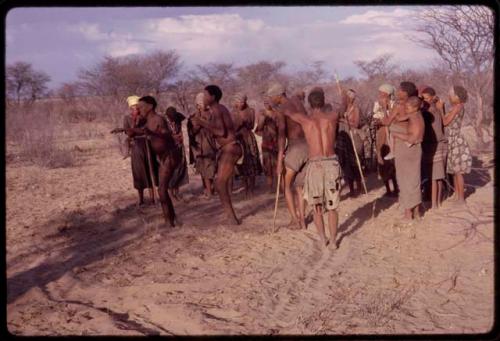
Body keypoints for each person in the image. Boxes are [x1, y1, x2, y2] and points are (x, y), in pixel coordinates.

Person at [282, 87, 341, 248]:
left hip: (315, 165)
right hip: (331, 163)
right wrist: (343, 96)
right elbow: (342, 107)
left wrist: (289, 98)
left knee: (317, 207)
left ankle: (323, 240)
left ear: (309, 104)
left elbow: (287, 111)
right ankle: (334, 241)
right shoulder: (333, 117)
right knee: (332, 207)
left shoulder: (305, 120)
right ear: (323, 102)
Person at [190, 85, 243, 225]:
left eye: (206, 95)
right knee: (220, 183)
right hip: (228, 148)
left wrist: (202, 122)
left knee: (220, 183)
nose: (204, 98)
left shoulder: (218, 109)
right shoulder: (216, 110)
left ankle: (232, 218)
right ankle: (231, 217)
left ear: (213, 97)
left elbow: (221, 132)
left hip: (231, 147)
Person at [126, 96, 180, 227]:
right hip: (162, 157)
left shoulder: (158, 119)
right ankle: (172, 220)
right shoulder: (148, 121)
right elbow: (142, 130)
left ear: (150, 106)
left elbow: (166, 134)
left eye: (142, 107)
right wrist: (132, 130)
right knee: (162, 190)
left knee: (161, 190)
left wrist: (153, 132)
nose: (139, 109)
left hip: (169, 155)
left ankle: (169, 222)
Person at [267, 82, 309, 230]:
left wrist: (279, 161)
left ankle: (295, 220)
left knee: (286, 184)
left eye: (271, 97)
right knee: (300, 186)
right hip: (308, 147)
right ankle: (302, 218)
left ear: (279, 96)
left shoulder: (282, 109)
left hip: (296, 148)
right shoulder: (298, 102)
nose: (270, 100)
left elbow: (281, 136)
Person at [388, 95, 425, 220]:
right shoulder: (416, 115)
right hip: (414, 150)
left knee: (405, 181)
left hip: (410, 150)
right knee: (414, 180)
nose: (406, 109)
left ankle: (408, 213)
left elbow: (412, 138)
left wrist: (396, 134)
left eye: (408, 107)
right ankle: (416, 211)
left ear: (415, 107)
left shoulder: (415, 119)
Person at [440, 85, 472, 204]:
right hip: (453, 139)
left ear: (457, 97)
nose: (449, 96)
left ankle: (461, 198)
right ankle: (458, 196)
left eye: (451, 94)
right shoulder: (456, 106)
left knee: (458, 172)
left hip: (457, 140)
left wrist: (440, 109)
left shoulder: (458, 107)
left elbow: (445, 122)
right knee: (454, 170)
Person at [123, 95, 157, 205]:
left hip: (147, 144)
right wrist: (134, 123)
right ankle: (141, 199)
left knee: (150, 169)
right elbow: (129, 133)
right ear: (130, 108)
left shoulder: (145, 117)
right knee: (138, 172)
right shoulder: (127, 119)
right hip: (136, 146)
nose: (136, 109)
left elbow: (148, 130)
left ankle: (153, 198)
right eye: (133, 108)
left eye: (137, 107)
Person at [420, 87, 447, 209]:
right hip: (429, 146)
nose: (424, 100)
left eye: (426, 98)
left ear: (432, 97)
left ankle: (436, 203)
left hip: (437, 145)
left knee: (436, 177)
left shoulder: (432, 110)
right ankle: (436, 201)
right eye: (422, 98)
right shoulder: (429, 109)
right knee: (435, 176)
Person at [232, 93, 262, 197]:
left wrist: (246, 123)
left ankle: (252, 189)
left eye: (242, 102)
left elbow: (252, 125)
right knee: (242, 163)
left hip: (249, 138)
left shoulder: (251, 111)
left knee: (252, 161)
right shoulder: (233, 113)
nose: (240, 104)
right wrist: (239, 125)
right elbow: (232, 128)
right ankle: (246, 188)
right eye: (238, 101)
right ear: (235, 102)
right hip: (239, 139)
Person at [187, 92, 217, 199]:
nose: (202, 105)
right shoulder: (193, 117)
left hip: (210, 144)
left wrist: (203, 122)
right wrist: (197, 125)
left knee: (211, 168)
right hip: (200, 145)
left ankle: (211, 189)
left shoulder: (212, 114)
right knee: (203, 168)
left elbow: (215, 128)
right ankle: (208, 190)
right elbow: (191, 133)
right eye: (200, 103)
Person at [372, 84, 399, 197]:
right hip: (381, 134)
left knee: (392, 161)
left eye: (382, 93)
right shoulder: (377, 105)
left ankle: (396, 188)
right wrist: (379, 121)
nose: (380, 95)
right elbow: (376, 120)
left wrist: (385, 109)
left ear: (387, 94)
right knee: (382, 159)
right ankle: (387, 188)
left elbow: (391, 120)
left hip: (392, 134)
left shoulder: (394, 105)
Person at [336, 88, 363, 197]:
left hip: (353, 137)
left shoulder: (355, 109)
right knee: (346, 164)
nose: (348, 99)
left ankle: (359, 188)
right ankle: (351, 189)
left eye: (350, 97)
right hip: (344, 138)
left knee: (355, 163)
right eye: (346, 97)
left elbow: (356, 124)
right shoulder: (342, 109)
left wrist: (344, 120)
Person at [165, 106, 189, 201]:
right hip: (170, 149)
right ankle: (171, 193)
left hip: (179, 147)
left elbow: (181, 133)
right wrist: (174, 137)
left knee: (180, 168)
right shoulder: (165, 124)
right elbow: (165, 136)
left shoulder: (178, 121)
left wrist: (180, 137)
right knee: (172, 170)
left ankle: (177, 192)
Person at [255, 99, 279, 192]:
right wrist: (262, 120)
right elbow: (258, 130)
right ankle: (270, 187)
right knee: (267, 166)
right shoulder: (262, 114)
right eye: (265, 102)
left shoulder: (277, 114)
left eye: (268, 102)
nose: (267, 104)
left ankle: (279, 187)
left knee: (276, 165)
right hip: (266, 144)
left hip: (276, 144)